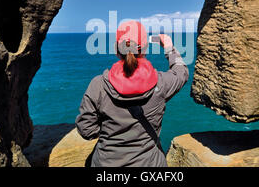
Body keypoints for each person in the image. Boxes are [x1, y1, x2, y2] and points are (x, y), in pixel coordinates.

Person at [75, 20, 189, 167]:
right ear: (145, 49)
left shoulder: (98, 85)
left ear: (116, 50)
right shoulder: (161, 84)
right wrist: (169, 47)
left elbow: (86, 130)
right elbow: (181, 72)